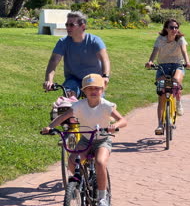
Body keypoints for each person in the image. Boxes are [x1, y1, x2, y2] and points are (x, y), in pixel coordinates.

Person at [42, 74, 127, 206]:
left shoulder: (106, 106)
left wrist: (114, 126)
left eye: (97, 88)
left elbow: (123, 120)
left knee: (100, 163)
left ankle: (102, 197)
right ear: (84, 91)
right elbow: (63, 117)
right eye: (89, 88)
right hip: (86, 140)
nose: (93, 91)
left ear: (102, 90)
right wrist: (50, 127)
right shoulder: (79, 105)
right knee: (72, 162)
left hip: (102, 140)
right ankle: (80, 182)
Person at [43, 11, 110, 98]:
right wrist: (49, 81)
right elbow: (53, 61)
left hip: (93, 79)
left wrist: (105, 76)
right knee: (69, 95)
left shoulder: (95, 41)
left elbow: (105, 59)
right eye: (66, 25)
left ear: (82, 26)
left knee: (97, 103)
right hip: (73, 78)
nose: (68, 27)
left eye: (71, 25)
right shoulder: (63, 42)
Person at [145, 19, 190, 135]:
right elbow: (155, 52)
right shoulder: (160, 39)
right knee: (161, 95)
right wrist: (150, 61)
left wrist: (188, 62)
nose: (174, 30)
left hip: (178, 65)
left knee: (176, 81)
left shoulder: (180, 39)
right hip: (163, 66)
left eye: (176, 27)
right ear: (166, 29)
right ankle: (160, 125)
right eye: (171, 27)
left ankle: (178, 102)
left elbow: (184, 51)